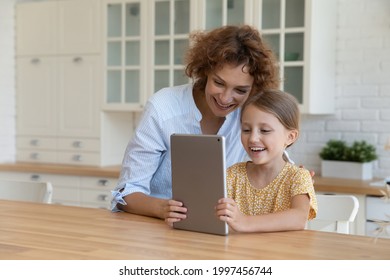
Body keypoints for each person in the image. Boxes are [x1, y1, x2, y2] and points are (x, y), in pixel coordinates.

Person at [111, 25, 280, 220]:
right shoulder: (163, 107)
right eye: (219, 83)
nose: (225, 98)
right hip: (156, 229)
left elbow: (278, 169)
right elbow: (126, 194)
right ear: (205, 70)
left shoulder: (253, 114)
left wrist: (293, 178)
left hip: (221, 232)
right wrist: (162, 208)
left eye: (240, 90)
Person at [214, 89, 317, 232]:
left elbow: (299, 218)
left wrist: (245, 221)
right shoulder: (232, 175)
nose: (253, 138)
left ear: (290, 137)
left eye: (265, 130)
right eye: (246, 130)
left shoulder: (298, 177)